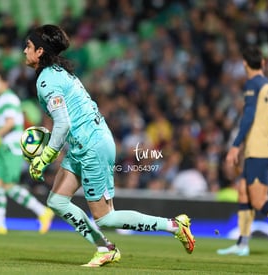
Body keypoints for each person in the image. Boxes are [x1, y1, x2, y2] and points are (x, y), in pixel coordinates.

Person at [23, 24, 195, 267]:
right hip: (85, 143)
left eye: (28, 46)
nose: (24, 51)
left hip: (92, 145)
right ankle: (105, 248)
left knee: (105, 217)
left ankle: (174, 225)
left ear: (40, 51)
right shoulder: (57, 73)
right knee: (57, 202)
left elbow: (62, 123)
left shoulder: (47, 80)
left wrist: (45, 157)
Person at [0, 71, 54, 234]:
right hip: (6, 147)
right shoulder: (5, 98)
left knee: (6, 185)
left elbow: (10, 122)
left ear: (5, 83)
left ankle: (41, 211)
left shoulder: (7, 98)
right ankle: (0, 224)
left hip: (11, 147)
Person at [217, 46, 268, 256]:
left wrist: (235, 145)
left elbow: (248, 117)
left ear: (244, 65)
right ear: (263, 63)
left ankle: (243, 243)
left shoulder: (252, 85)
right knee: (243, 192)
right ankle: (242, 244)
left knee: (258, 200)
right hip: (263, 148)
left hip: (257, 150)